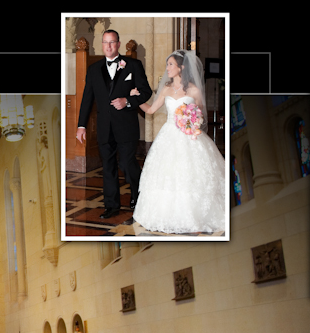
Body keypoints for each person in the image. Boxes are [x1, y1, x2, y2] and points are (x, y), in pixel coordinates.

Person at [130, 50, 225, 234]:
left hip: (189, 136)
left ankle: (194, 214)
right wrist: (135, 98)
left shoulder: (194, 90)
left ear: (181, 67)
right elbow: (150, 110)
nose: (167, 68)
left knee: (191, 174)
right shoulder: (166, 89)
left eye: (171, 64)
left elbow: (200, 114)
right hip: (168, 136)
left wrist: (192, 120)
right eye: (168, 65)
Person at [76, 30, 152, 218]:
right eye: (105, 43)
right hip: (104, 127)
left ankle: (138, 194)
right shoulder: (93, 70)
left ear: (118, 44)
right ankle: (111, 206)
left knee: (127, 164)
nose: (108, 46)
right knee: (108, 167)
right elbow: (87, 99)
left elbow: (146, 92)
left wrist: (127, 101)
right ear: (102, 45)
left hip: (126, 126)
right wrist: (81, 125)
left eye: (112, 42)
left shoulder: (133, 65)